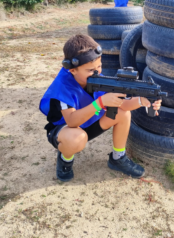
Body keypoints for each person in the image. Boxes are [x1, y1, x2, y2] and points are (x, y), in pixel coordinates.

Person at [39, 34, 162, 182]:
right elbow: (72, 121)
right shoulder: (63, 86)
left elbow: (123, 104)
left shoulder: (95, 77)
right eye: (91, 70)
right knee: (76, 139)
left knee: (122, 113)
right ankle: (65, 158)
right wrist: (100, 103)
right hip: (64, 130)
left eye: (99, 66)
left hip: (87, 124)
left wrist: (143, 100)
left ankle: (118, 158)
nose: (97, 72)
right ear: (73, 70)